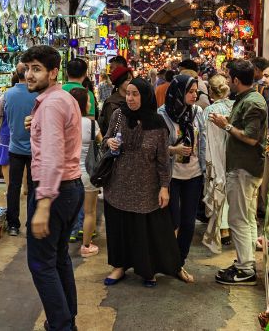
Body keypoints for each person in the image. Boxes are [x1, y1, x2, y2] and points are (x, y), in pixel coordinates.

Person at [21, 45, 84, 331]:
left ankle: (61, 325)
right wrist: (35, 125)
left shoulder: (51, 104)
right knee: (58, 258)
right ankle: (66, 318)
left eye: (37, 69)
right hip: (71, 188)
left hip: (54, 191)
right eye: (28, 69)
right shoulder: (63, 98)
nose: (29, 75)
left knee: (41, 264)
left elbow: (53, 155)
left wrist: (43, 203)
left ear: (54, 72)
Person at [101, 78, 183, 288]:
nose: (130, 98)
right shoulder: (119, 116)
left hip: (147, 186)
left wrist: (164, 187)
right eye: (128, 93)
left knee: (145, 231)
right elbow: (105, 141)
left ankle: (147, 269)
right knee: (119, 226)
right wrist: (108, 142)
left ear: (145, 96)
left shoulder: (157, 124)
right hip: (118, 183)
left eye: (135, 94)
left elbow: (163, 160)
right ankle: (119, 266)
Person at [208, 60, 267, 286]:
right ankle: (247, 262)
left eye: (229, 77)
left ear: (235, 79)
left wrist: (226, 126)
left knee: (238, 219)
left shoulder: (253, 102)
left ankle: (245, 270)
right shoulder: (247, 99)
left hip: (244, 168)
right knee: (247, 217)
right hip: (244, 167)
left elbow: (251, 138)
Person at [158, 74, 205, 283]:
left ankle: (179, 262)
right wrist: (174, 149)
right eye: (190, 91)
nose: (194, 95)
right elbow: (156, 148)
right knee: (172, 221)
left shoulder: (197, 112)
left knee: (188, 222)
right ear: (178, 92)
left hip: (194, 173)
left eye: (196, 91)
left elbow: (202, 142)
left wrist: (207, 170)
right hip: (171, 175)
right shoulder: (162, 114)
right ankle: (166, 259)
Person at [1, 62, 39, 236]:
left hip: (14, 147)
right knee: (32, 188)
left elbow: (0, 116)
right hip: (34, 149)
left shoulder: (8, 94)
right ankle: (31, 223)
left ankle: (13, 224)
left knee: (13, 188)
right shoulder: (38, 95)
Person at [201, 74, 234, 254]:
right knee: (228, 189)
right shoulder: (234, 106)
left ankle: (222, 229)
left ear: (211, 91)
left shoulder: (209, 111)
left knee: (217, 187)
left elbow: (205, 137)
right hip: (232, 153)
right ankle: (228, 229)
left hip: (215, 154)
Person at [69, 87, 101, 257]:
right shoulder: (91, 124)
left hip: (68, 173)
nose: (90, 103)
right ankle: (86, 246)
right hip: (88, 173)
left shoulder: (64, 123)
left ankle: (65, 241)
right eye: (88, 101)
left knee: (68, 210)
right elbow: (102, 145)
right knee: (89, 211)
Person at [0, 71, 19, 176]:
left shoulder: (6, 95)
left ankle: (9, 189)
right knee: (26, 160)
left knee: (5, 161)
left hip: (7, 132)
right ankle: (25, 188)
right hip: (25, 133)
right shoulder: (32, 94)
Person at [98, 66, 132, 134]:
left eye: (132, 79)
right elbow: (113, 129)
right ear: (120, 82)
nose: (131, 82)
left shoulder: (131, 100)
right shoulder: (111, 103)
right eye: (128, 79)